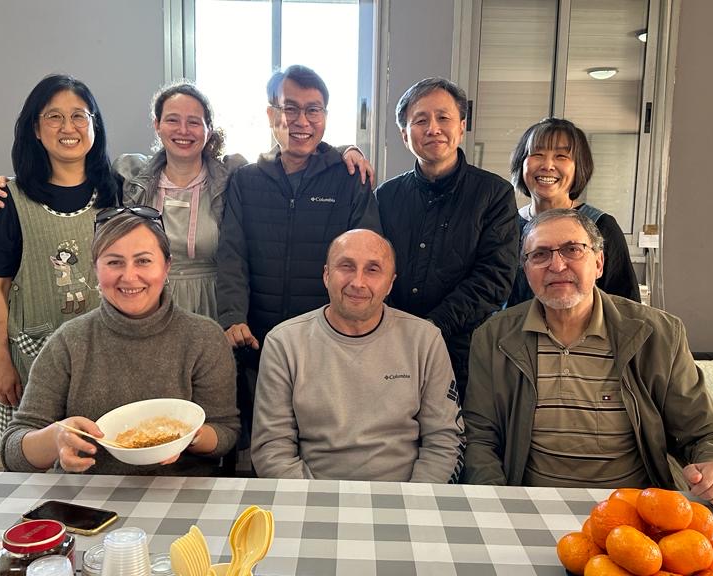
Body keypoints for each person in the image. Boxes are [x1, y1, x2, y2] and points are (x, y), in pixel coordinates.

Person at [0, 81, 374, 321]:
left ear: (208, 129)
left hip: (215, 305)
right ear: (157, 125)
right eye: (172, 119)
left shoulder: (233, 176)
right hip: (147, 302)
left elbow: (287, 154)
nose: (183, 130)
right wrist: (7, 186)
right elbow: (74, 172)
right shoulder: (129, 178)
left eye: (194, 121)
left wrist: (344, 150)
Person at [462, 209, 713, 512]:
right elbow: (480, 437)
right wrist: (496, 502)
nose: (557, 265)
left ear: (598, 263)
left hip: (637, 513)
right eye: (540, 254)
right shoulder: (493, 337)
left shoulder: (658, 334)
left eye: (572, 249)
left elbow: (709, 431)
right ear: (526, 270)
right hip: (533, 506)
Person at [0, 209, 239, 475]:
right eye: (114, 262)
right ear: (95, 269)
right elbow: (13, 450)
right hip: (88, 491)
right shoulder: (69, 341)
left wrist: (189, 436)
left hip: (180, 488)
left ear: (167, 266)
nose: (129, 276)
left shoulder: (203, 337)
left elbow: (226, 431)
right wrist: (55, 439)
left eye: (143, 261)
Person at [216, 65, 381, 444]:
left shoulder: (350, 179)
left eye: (313, 110)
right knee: (267, 441)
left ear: (325, 116)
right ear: (271, 114)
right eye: (290, 108)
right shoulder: (246, 181)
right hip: (259, 340)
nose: (302, 121)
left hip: (329, 340)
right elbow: (232, 255)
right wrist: (232, 316)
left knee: (328, 440)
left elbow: (367, 258)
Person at [251, 230, 463, 482]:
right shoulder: (283, 343)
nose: (358, 282)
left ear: (390, 283)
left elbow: (444, 440)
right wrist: (312, 500)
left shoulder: (425, 340)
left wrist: (414, 500)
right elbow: (272, 447)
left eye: (373, 269)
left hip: (405, 495)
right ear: (326, 275)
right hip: (312, 494)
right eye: (346, 266)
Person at [0, 74, 120, 450]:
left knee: (105, 451)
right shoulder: (7, 200)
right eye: (54, 117)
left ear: (94, 125)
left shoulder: (118, 192)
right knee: (40, 455)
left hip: (107, 353)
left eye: (79, 116)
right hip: (34, 356)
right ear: (36, 130)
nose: (68, 127)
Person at [374, 77, 518, 403]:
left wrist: (434, 326)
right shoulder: (386, 196)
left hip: (463, 352)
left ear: (461, 127)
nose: (433, 129)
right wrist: (395, 327)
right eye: (420, 120)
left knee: (453, 430)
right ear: (404, 134)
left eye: (443, 117)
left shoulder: (494, 194)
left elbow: (495, 277)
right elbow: (375, 267)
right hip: (391, 345)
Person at [507, 117, 640, 306]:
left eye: (561, 156)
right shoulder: (506, 225)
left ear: (579, 166)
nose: (547, 165)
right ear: (521, 164)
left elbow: (625, 304)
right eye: (537, 154)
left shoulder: (601, 225)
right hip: (515, 325)